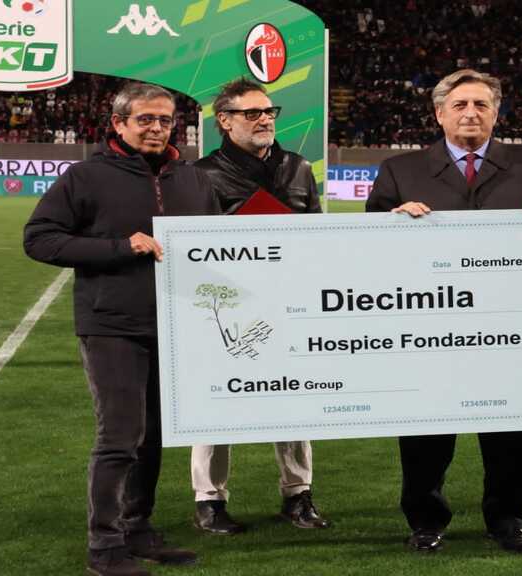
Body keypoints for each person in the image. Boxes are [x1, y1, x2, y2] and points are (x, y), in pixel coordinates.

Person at [366, 69, 522, 554]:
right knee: (425, 433)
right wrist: (390, 224)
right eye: (460, 105)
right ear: (439, 113)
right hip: (430, 326)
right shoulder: (400, 170)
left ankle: (508, 519)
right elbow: (367, 247)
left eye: (481, 104)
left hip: (513, 325)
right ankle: (425, 521)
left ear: (496, 113)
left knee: (513, 435)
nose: (471, 113)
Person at [24, 82, 216, 576]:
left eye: (165, 120)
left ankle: (137, 528)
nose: (156, 128)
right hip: (111, 325)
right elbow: (39, 239)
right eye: (145, 119)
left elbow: (219, 242)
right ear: (119, 123)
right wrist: (119, 247)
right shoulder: (86, 176)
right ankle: (104, 546)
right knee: (120, 435)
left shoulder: (193, 179)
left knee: (152, 436)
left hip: (175, 326)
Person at [190, 78, 329, 535]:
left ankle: (298, 494)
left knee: (293, 395)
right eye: (252, 113)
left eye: (269, 111)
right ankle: (209, 500)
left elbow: (318, 234)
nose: (265, 119)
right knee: (215, 398)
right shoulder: (201, 174)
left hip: (289, 302)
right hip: (224, 306)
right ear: (225, 121)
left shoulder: (298, 167)